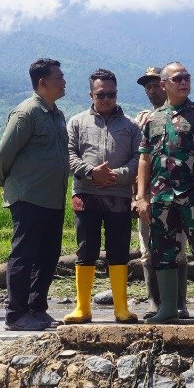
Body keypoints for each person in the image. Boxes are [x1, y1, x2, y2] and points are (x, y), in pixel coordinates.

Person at [135, 61, 194, 324]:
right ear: (164, 84)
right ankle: (168, 308)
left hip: (193, 194)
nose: (184, 82)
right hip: (161, 197)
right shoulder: (152, 119)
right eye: (177, 78)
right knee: (162, 252)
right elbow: (144, 158)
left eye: (186, 77)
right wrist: (141, 196)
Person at [0, 59, 70, 331]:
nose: (64, 81)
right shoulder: (26, 113)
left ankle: (37, 309)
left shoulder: (57, 114)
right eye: (59, 77)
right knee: (24, 254)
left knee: (48, 256)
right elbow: (4, 155)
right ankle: (15, 314)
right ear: (42, 82)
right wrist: (6, 182)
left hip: (53, 197)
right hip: (28, 196)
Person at [65, 69, 141, 324]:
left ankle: (121, 308)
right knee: (86, 249)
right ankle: (82, 308)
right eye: (101, 95)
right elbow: (69, 155)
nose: (106, 99)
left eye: (111, 94)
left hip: (119, 194)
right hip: (86, 193)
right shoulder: (76, 122)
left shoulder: (131, 126)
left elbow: (139, 159)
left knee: (119, 250)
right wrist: (91, 173)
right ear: (91, 95)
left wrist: (116, 175)